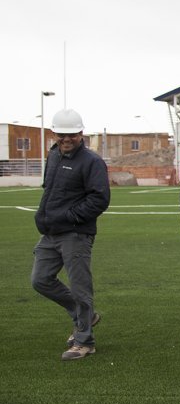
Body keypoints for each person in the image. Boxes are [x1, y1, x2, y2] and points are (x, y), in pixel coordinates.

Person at [32, 108, 111, 361]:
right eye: (62, 134)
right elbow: (49, 190)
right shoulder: (54, 155)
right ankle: (84, 316)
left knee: (80, 289)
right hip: (50, 232)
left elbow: (100, 199)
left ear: (81, 133)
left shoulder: (91, 161)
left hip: (76, 234)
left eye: (72, 134)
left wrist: (70, 216)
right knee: (40, 280)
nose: (66, 139)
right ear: (54, 133)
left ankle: (84, 341)